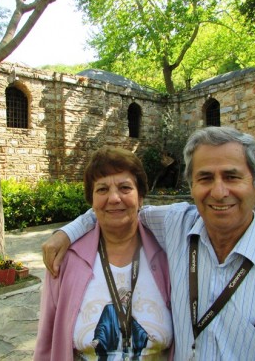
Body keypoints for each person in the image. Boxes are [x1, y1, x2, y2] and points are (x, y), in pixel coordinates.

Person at [42, 127, 255, 360]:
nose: (219, 192)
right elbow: (117, 208)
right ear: (191, 185)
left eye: (232, 177)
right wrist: (66, 233)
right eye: (205, 178)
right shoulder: (176, 226)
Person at [33, 147, 173, 360]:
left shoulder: (167, 256)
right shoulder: (66, 261)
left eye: (125, 188)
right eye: (102, 190)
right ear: (91, 201)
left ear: (141, 197)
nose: (114, 198)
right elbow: (47, 341)